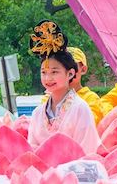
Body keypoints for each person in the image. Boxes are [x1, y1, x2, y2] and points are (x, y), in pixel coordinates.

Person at [27, 20, 101, 152]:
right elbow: (31, 151)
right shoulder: (37, 113)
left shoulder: (80, 108)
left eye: (54, 72)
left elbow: (88, 150)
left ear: (70, 73)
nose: (48, 78)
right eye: (44, 72)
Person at [67, 47, 104, 124]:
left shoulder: (90, 98)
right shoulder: (50, 98)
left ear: (83, 69)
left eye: (71, 66)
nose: (67, 71)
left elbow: (91, 124)